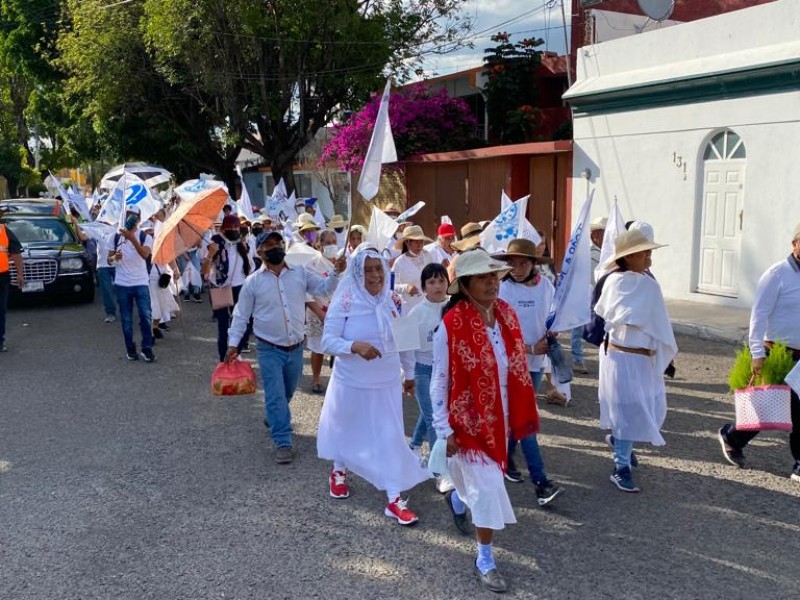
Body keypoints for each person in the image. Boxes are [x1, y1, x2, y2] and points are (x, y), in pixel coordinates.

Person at [431, 248, 540, 593]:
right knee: (491, 489)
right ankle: (485, 558)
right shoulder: (451, 324)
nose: (492, 281)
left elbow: (516, 363)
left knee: (478, 486)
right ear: (464, 285)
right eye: (483, 276)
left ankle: (459, 499)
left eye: (494, 275)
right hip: (469, 421)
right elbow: (439, 379)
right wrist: (442, 427)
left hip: (504, 416)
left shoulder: (507, 313)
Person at [317, 243, 430, 525]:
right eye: (367, 270)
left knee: (389, 435)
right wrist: (355, 346)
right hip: (351, 381)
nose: (374, 275)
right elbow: (327, 341)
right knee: (347, 426)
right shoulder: (345, 301)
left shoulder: (394, 300)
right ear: (357, 272)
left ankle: (393, 497)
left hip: (387, 381)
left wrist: (411, 375)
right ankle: (339, 469)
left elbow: (405, 342)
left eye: (378, 268)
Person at [225, 231, 345, 464]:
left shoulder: (300, 273)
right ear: (260, 252)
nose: (275, 247)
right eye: (268, 245)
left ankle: (275, 414)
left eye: (278, 243)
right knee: (276, 394)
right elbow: (241, 316)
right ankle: (282, 441)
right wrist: (233, 344)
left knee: (288, 391)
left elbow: (323, 288)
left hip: (296, 348)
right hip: (268, 348)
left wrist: (337, 271)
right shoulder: (253, 283)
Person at [594, 229, 677, 493]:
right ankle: (621, 467)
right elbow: (609, 314)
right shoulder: (614, 282)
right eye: (644, 252)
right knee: (625, 409)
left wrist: (664, 353)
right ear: (628, 257)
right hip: (619, 356)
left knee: (644, 408)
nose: (649, 256)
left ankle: (620, 441)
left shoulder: (650, 284)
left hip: (644, 359)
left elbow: (658, 321)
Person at [719, 223, 800, 481]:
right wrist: (757, 353)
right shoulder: (777, 275)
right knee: (767, 409)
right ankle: (732, 436)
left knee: (794, 411)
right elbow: (758, 317)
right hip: (779, 354)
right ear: (794, 243)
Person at [495, 239, 564, 505]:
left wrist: (553, 332)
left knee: (519, 417)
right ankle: (540, 482)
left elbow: (551, 317)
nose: (517, 268)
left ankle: (505, 459)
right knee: (525, 421)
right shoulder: (502, 289)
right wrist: (529, 348)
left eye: (523, 262)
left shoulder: (546, 286)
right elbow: (499, 333)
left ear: (534, 263)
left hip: (535, 364)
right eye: (512, 262)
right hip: (511, 364)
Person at [407, 262, 454, 493]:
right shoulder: (416, 313)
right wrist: (406, 376)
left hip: (445, 371)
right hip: (422, 370)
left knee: (431, 413)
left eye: (441, 280)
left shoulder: (454, 307)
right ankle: (440, 472)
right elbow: (405, 348)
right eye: (431, 282)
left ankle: (414, 445)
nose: (437, 286)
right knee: (435, 418)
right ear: (424, 287)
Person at [107, 205, 155, 362]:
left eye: (135, 216)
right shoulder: (115, 237)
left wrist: (132, 237)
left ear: (139, 219)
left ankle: (146, 348)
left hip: (141, 282)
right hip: (122, 284)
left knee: (146, 316)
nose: (132, 218)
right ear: (125, 216)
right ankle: (130, 349)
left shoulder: (145, 237)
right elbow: (109, 260)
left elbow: (145, 255)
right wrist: (115, 258)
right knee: (126, 320)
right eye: (129, 215)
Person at [203, 214, 254, 361]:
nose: (234, 229)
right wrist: (210, 255)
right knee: (223, 327)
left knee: (244, 323)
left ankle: (235, 353)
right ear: (224, 229)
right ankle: (223, 360)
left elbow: (250, 266)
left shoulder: (242, 244)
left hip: (239, 287)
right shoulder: (215, 243)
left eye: (236, 226)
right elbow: (204, 271)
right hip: (220, 288)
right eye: (230, 227)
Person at [305, 229, 339, 394]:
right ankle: (316, 378)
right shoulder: (311, 264)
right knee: (317, 348)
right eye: (328, 243)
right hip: (318, 310)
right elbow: (307, 292)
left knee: (339, 347)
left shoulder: (342, 262)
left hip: (339, 311)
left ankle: (337, 379)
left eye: (334, 242)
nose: (332, 246)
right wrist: (320, 313)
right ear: (319, 245)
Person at [391, 224, 434, 313]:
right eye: (416, 242)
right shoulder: (399, 262)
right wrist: (406, 287)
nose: (419, 245)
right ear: (407, 242)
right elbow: (391, 286)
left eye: (421, 241)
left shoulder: (428, 256)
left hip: (429, 307)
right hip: (410, 309)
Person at [0, 220, 24, 352]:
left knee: (0, 311)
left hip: (1, 277)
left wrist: (20, 274)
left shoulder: (3, 231)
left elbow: (16, 253)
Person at [96, 223, 118, 323]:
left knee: (122, 289)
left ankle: (126, 310)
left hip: (116, 264)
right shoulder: (96, 228)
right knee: (107, 290)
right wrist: (75, 224)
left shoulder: (118, 226)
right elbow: (83, 237)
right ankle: (110, 313)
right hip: (103, 265)